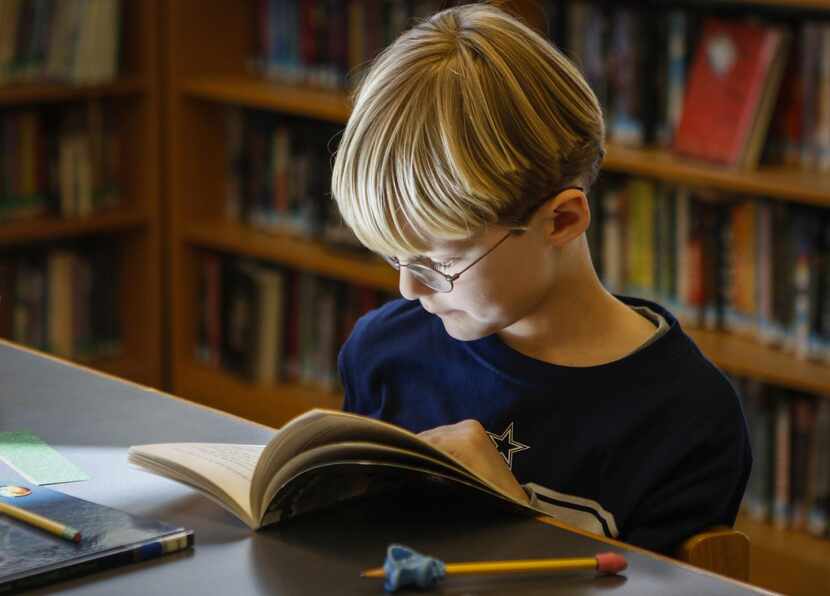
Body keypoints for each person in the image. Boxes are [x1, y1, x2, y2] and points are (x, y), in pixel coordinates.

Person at [330, 2, 751, 555]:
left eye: (438, 263)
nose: (410, 290)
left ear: (562, 220)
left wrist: (514, 517)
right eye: (395, 257)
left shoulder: (686, 418)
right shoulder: (384, 350)